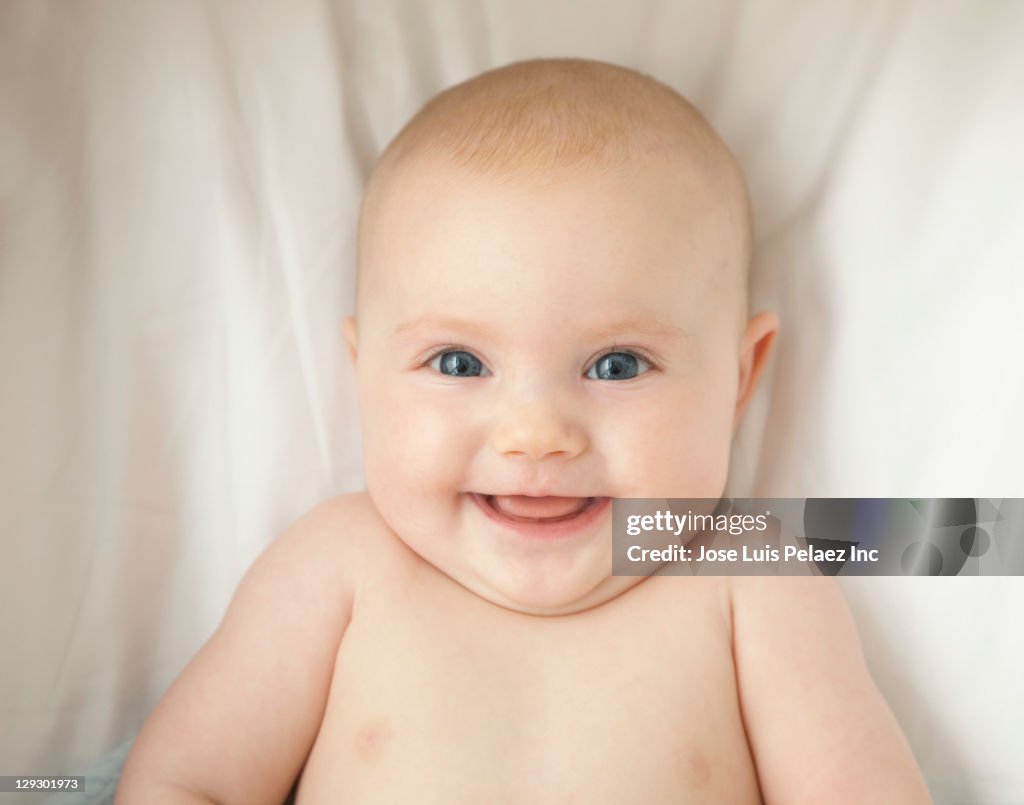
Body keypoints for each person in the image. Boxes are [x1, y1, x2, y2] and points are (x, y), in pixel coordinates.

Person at [117, 57, 931, 803]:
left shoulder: (752, 579)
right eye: (460, 363)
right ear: (363, 372)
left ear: (741, 378)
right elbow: (185, 781)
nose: (536, 435)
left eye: (617, 365)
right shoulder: (339, 565)